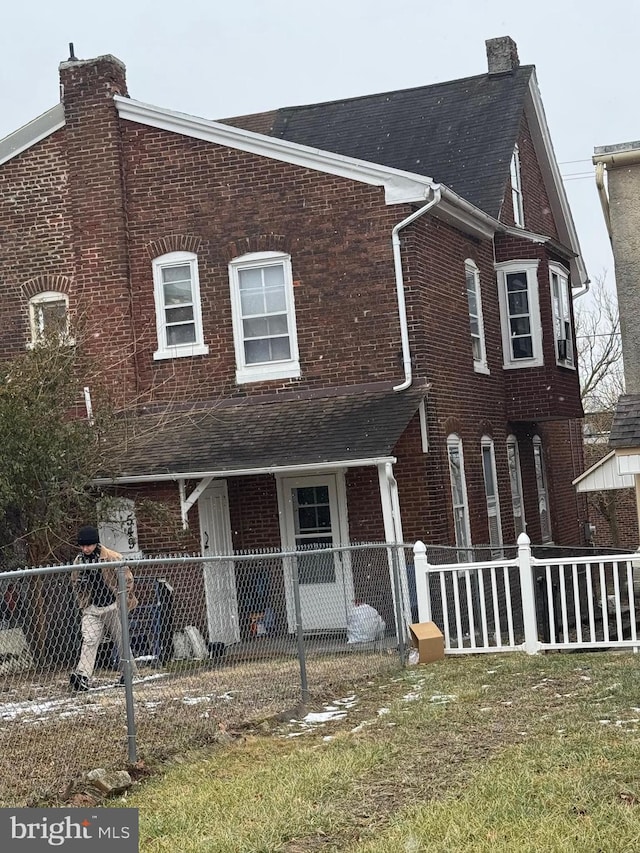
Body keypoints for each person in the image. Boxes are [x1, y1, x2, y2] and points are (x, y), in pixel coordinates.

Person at [69, 525, 138, 691]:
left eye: (88, 545)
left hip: (113, 606)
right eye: (82, 545)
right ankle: (82, 675)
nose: (85, 548)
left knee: (121, 641)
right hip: (92, 607)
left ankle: (129, 673)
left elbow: (128, 580)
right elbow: (73, 582)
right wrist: (81, 590)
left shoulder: (112, 557)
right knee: (89, 639)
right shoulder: (79, 561)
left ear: (96, 544)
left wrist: (123, 600)